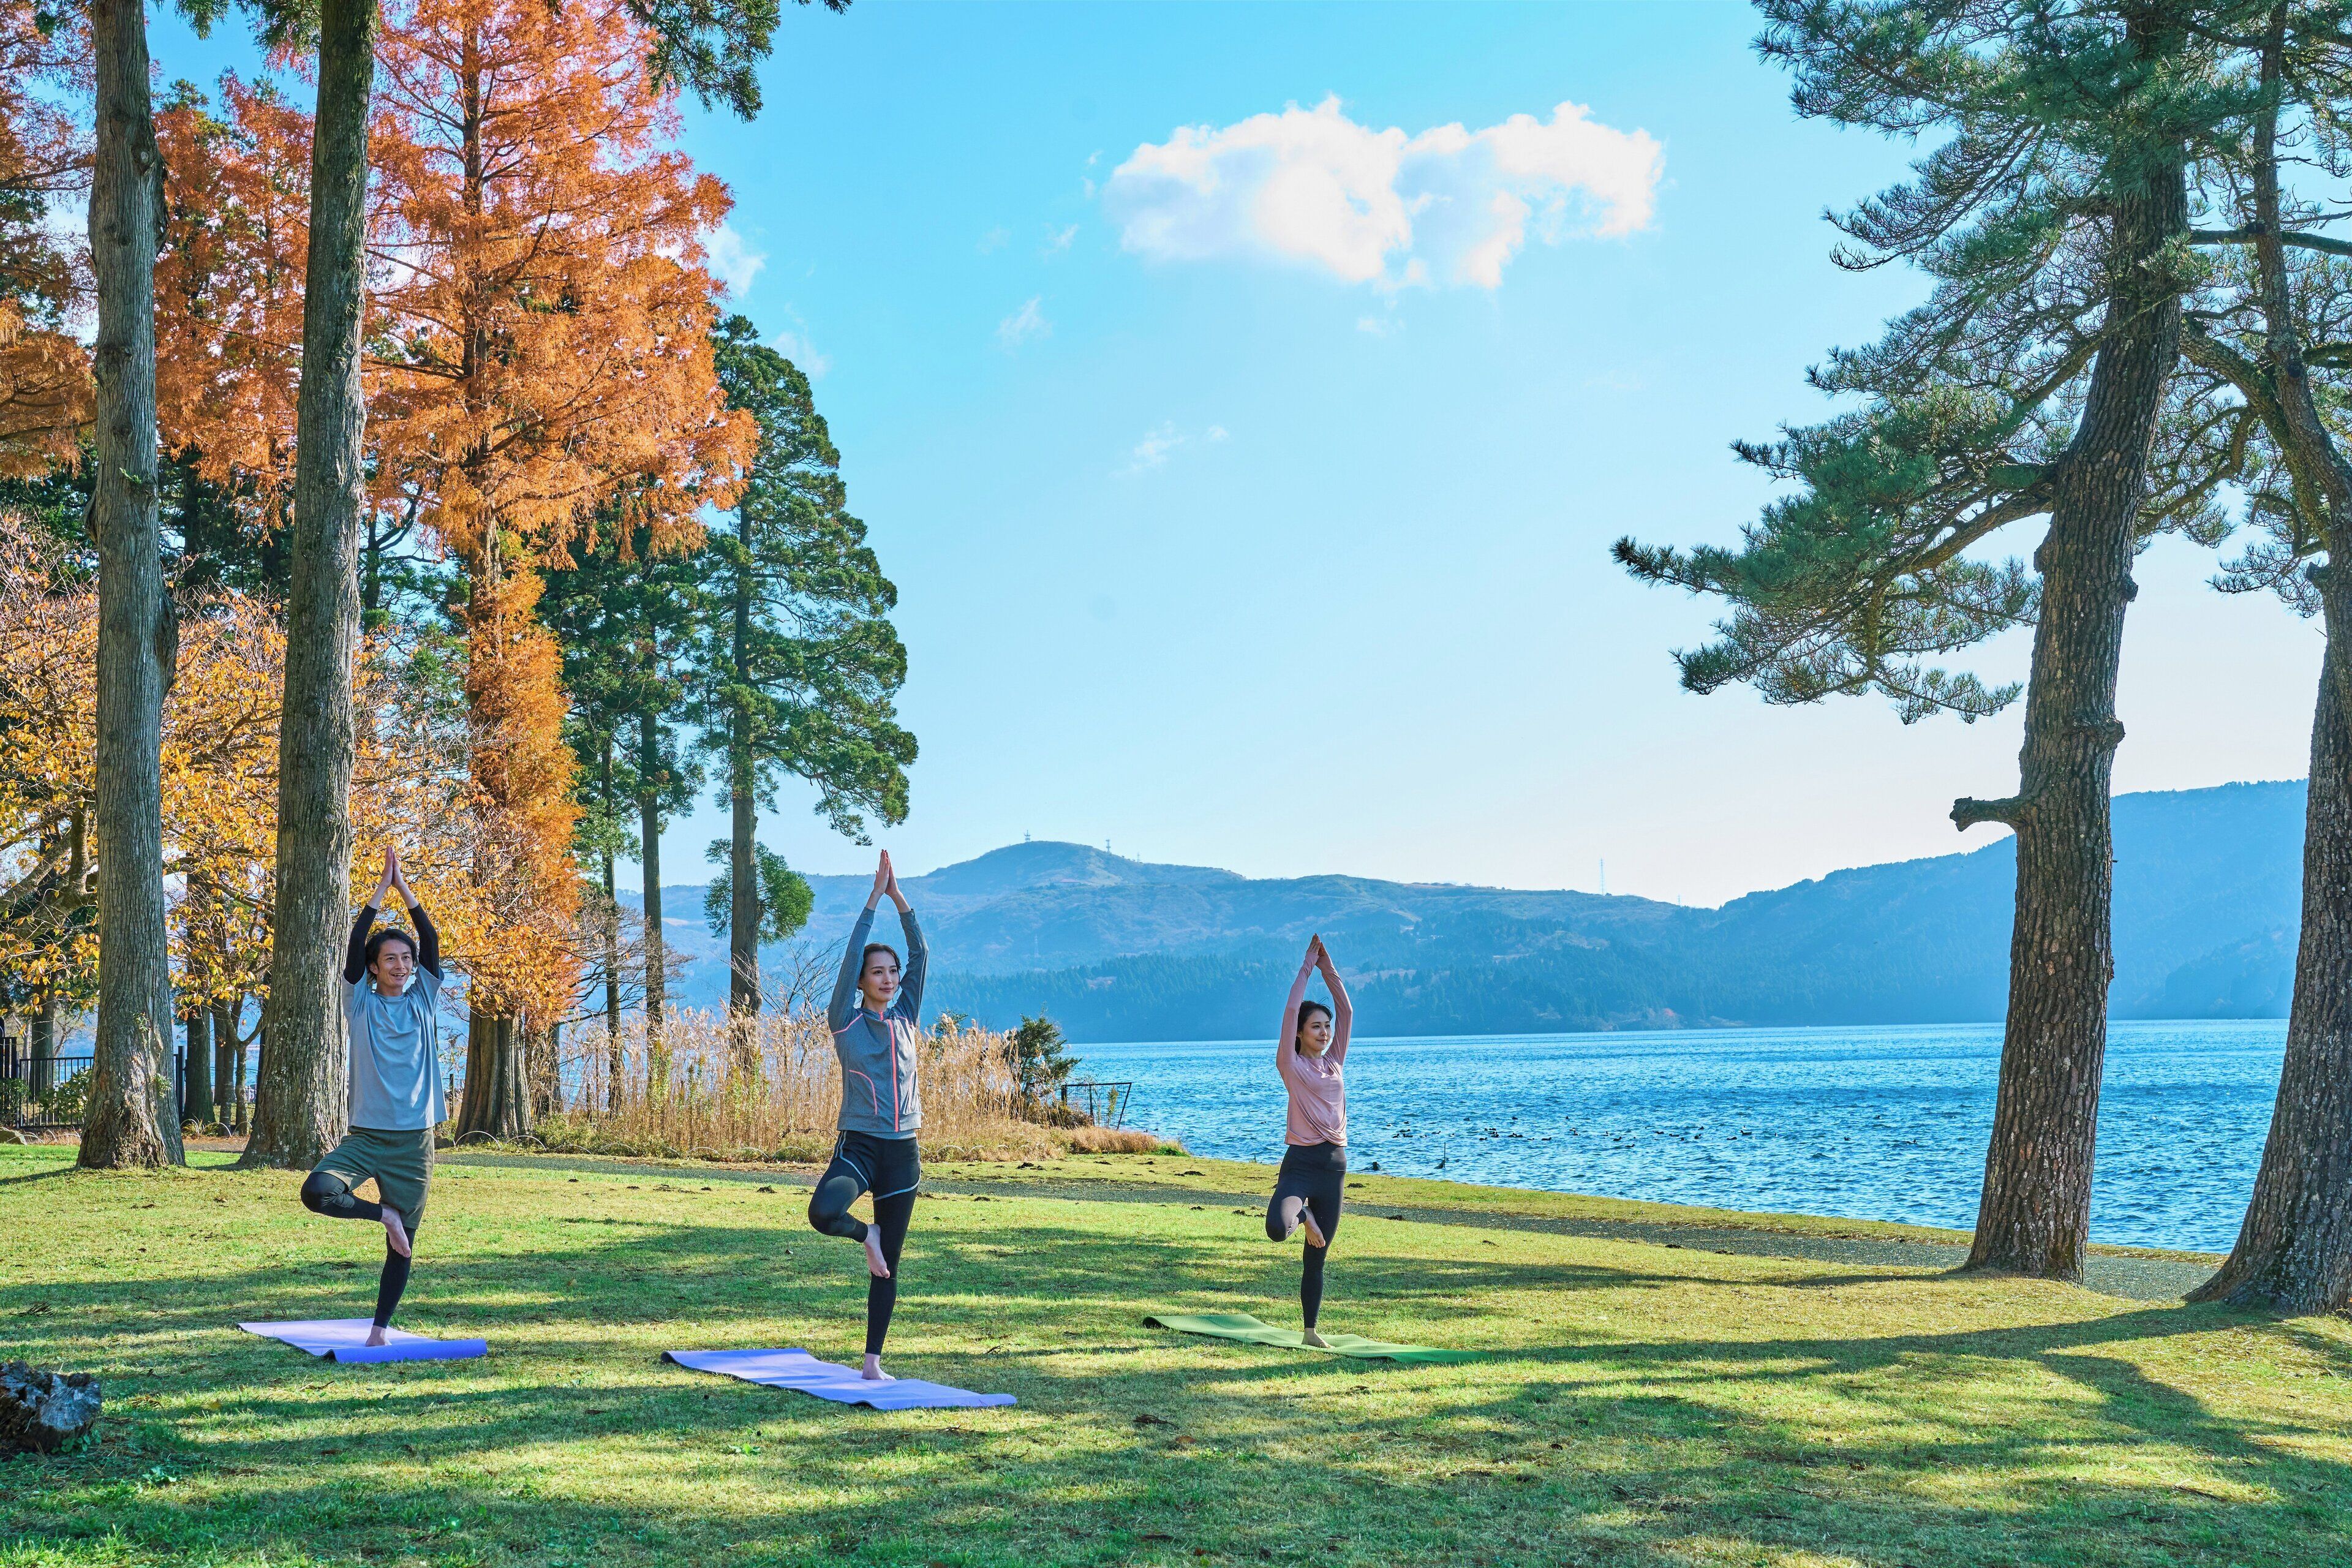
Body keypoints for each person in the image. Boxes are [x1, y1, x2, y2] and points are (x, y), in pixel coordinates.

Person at [298, 848, 445, 1347]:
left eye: (406, 959)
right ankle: (383, 1215)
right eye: (390, 960)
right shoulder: (357, 1001)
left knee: (403, 1247)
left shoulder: (425, 998)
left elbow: (431, 939)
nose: (401, 965)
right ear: (374, 968)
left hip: (414, 1144)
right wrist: (380, 892)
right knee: (318, 1191)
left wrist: (408, 891)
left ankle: (379, 1331)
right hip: (366, 1137)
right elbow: (357, 940)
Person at [808, 849, 928, 1380]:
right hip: (859, 1147)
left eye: (892, 971)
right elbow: (852, 952)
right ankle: (867, 1235)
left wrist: (901, 900)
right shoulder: (845, 1022)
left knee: (890, 1269)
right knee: (822, 1214)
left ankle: (872, 1363)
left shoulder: (906, 1017)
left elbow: (922, 954)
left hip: (903, 1155)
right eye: (877, 972)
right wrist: (872, 901)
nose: (888, 977)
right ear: (860, 981)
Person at [1267, 933, 1353, 1347]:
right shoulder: (1291, 1066)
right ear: (1299, 1034)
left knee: (1317, 1256)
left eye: (1327, 1027)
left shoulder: (1335, 1062)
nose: (1325, 1032)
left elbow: (1347, 1009)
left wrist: (1327, 965)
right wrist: (1306, 966)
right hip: (1300, 1167)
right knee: (1277, 1230)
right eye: (1316, 1027)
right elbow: (1288, 1010)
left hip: (1334, 1169)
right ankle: (1302, 1215)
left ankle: (1310, 1333)